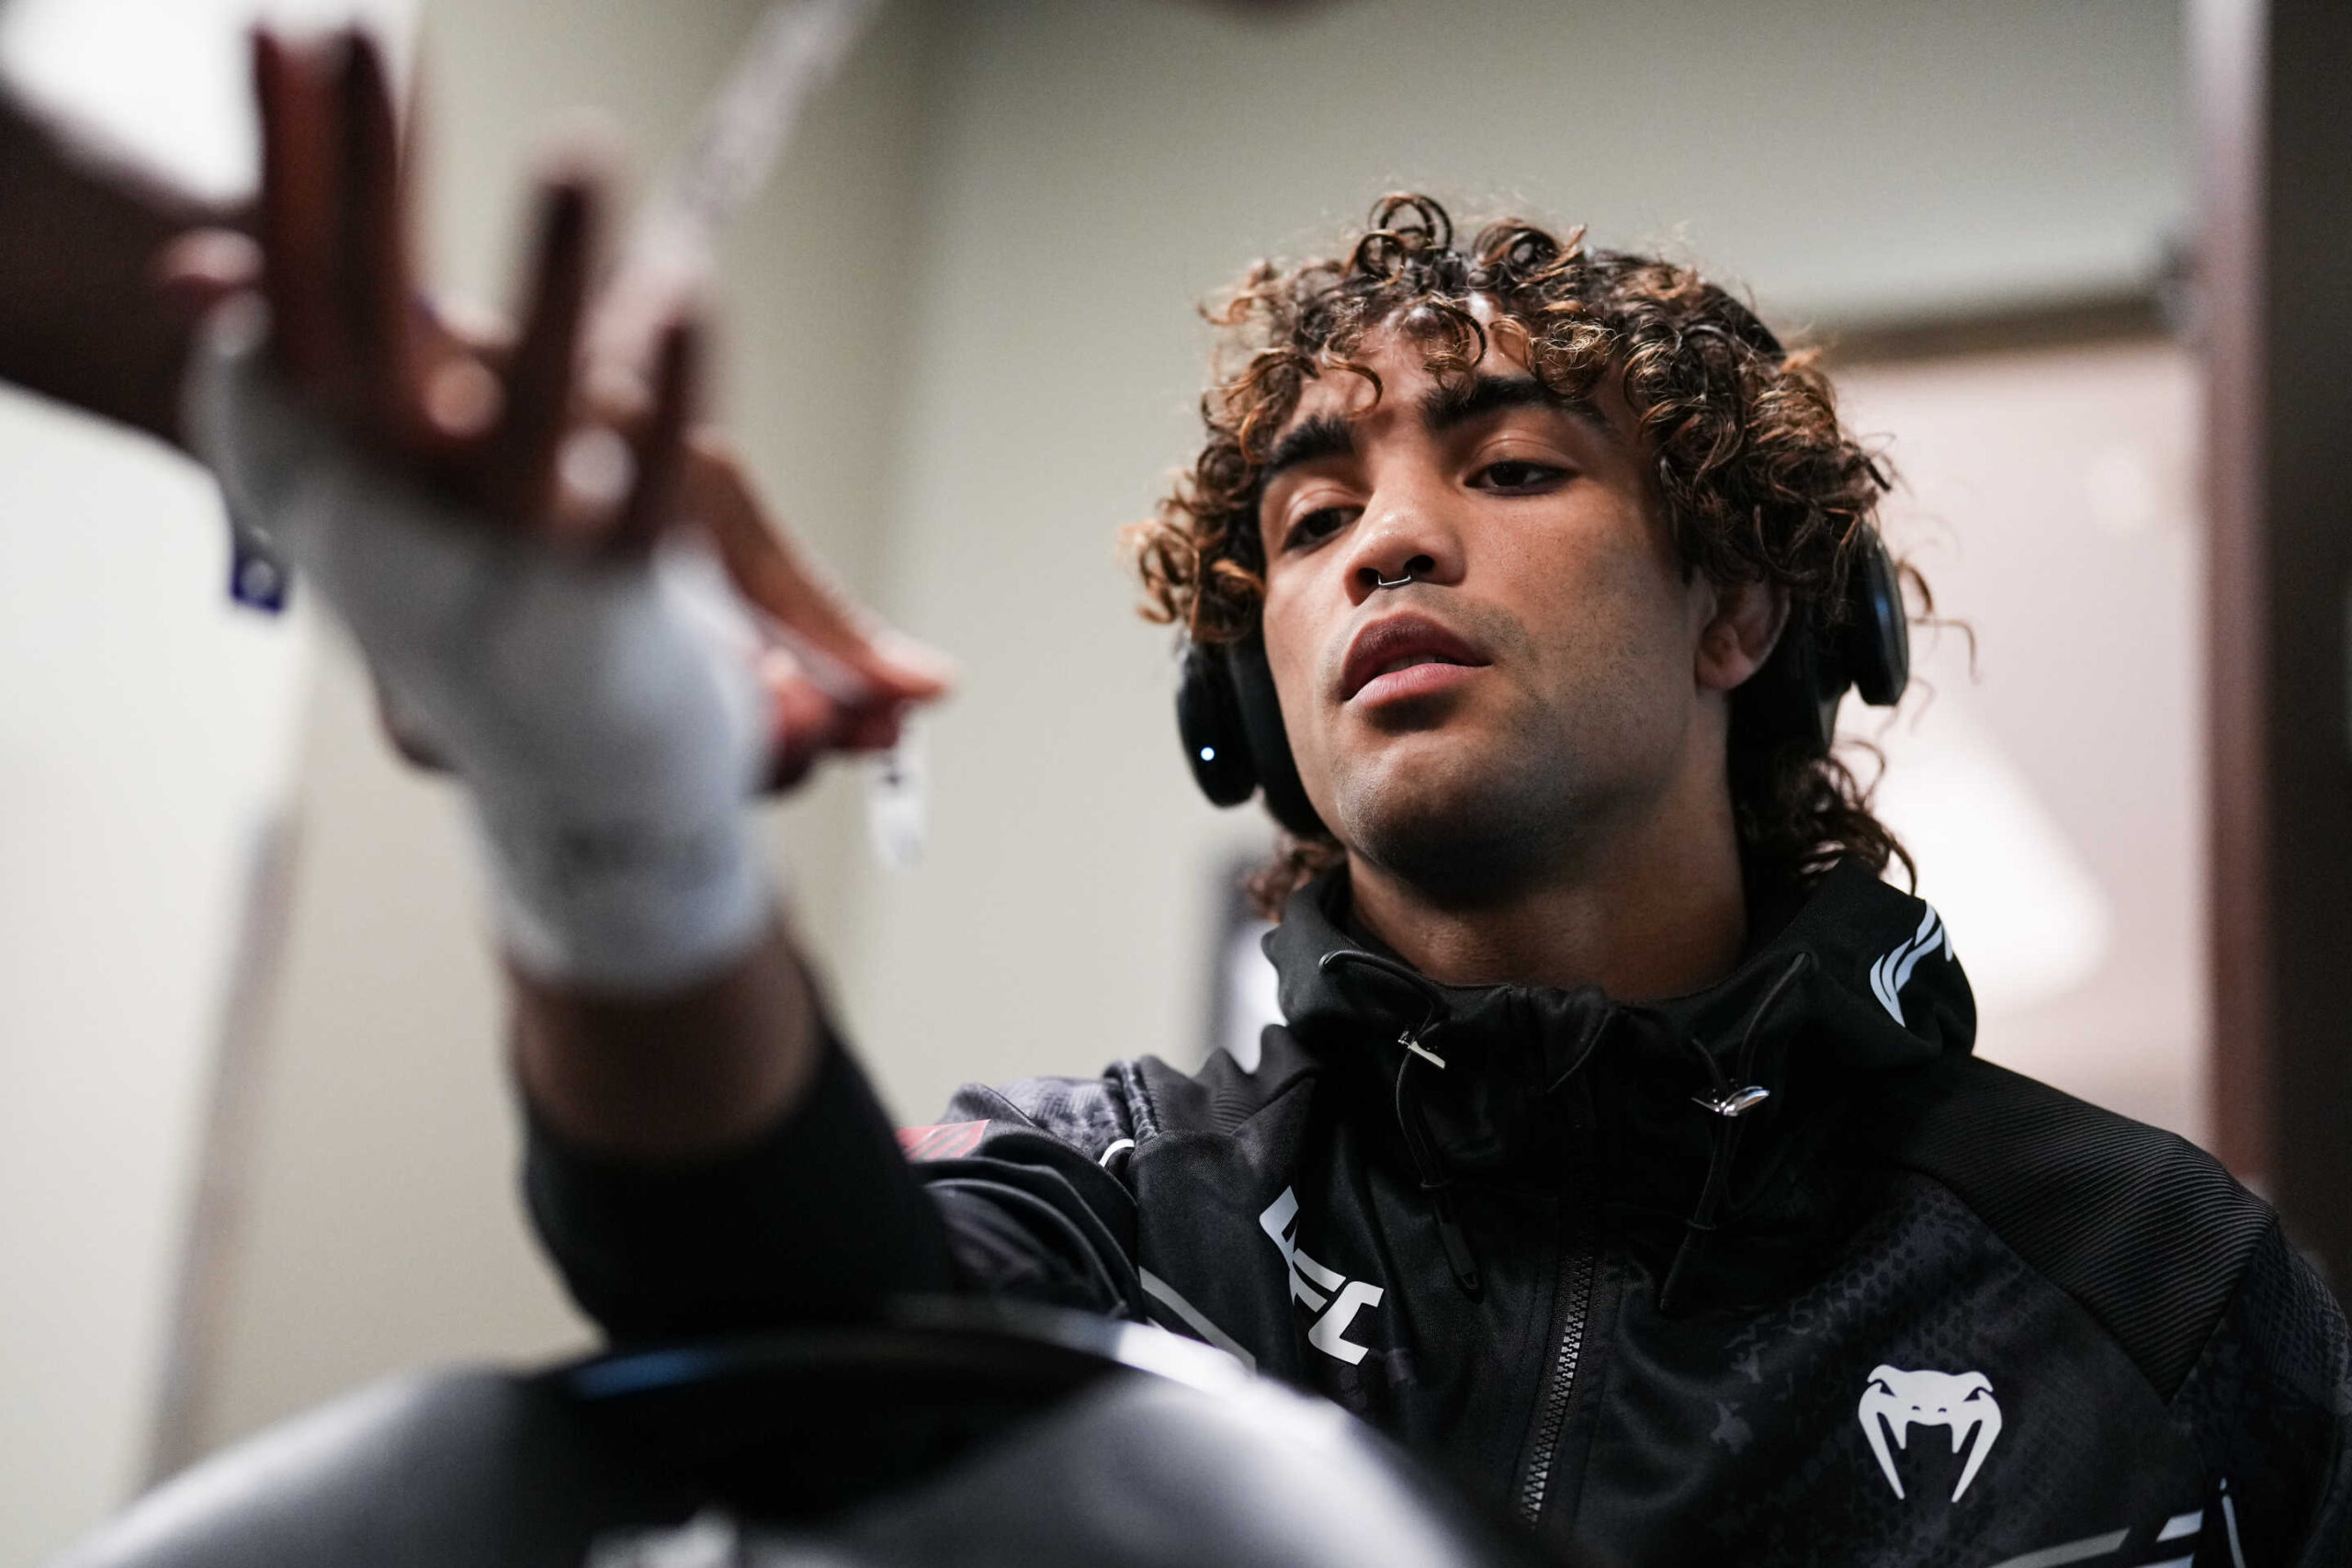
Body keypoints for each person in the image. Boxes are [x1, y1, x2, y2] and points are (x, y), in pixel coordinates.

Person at [179, 30, 2349, 1568]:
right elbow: (772, 1314)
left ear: (1735, 616)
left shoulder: (2145, 1281)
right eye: (1310, 523)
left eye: (1506, 470)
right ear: (1252, 707)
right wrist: (606, 810)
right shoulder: (1108, 1207)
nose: (1385, 547)